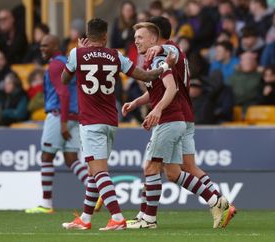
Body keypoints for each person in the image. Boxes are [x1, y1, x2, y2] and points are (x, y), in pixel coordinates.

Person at [61, 18, 176, 231]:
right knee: (95, 169)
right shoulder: (116, 56)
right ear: (105, 36)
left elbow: (64, 79)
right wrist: (164, 68)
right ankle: (85, 219)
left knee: (99, 171)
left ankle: (116, 217)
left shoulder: (77, 54)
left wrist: (78, 52)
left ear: (87, 36)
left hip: (90, 121)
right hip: (110, 121)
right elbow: (144, 75)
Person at [124, 16, 235, 229]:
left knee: (155, 166)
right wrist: (138, 102)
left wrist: (156, 109)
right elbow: (158, 87)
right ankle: (216, 201)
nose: (136, 41)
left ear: (155, 37)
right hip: (178, 115)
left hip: (172, 114)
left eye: (140, 36)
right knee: (175, 171)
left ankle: (148, 219)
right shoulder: (157, 56)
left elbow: (171, 67)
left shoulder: (165, 52)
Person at [25, 35, 89, 214]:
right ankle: (96, 190)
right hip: (76, 116)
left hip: (59, 115)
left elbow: (64, 94)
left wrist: (62, 122)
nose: (42, 49)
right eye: (41, 46)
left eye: (45, 46)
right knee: (71, 159)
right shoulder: (68, 62)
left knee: (47, 157)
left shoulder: (55, 65)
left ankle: (46, 204)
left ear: (55, 46)